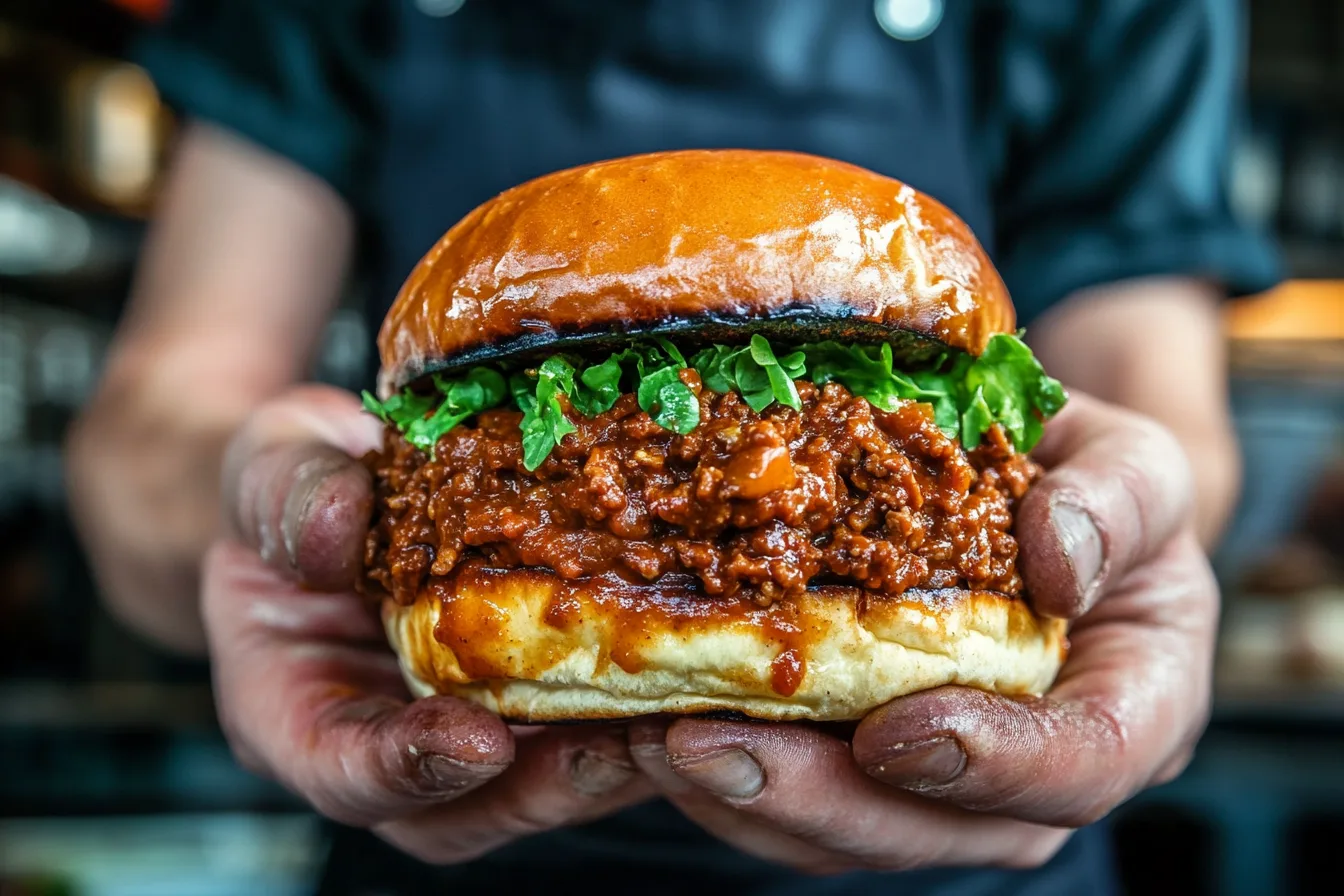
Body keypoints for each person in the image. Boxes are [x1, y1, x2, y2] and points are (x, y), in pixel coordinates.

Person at [65, 1, 1280, 893]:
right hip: (448, 850)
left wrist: (1137, 517)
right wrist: (259, 515)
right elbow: (157, 420)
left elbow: (1150, 413)